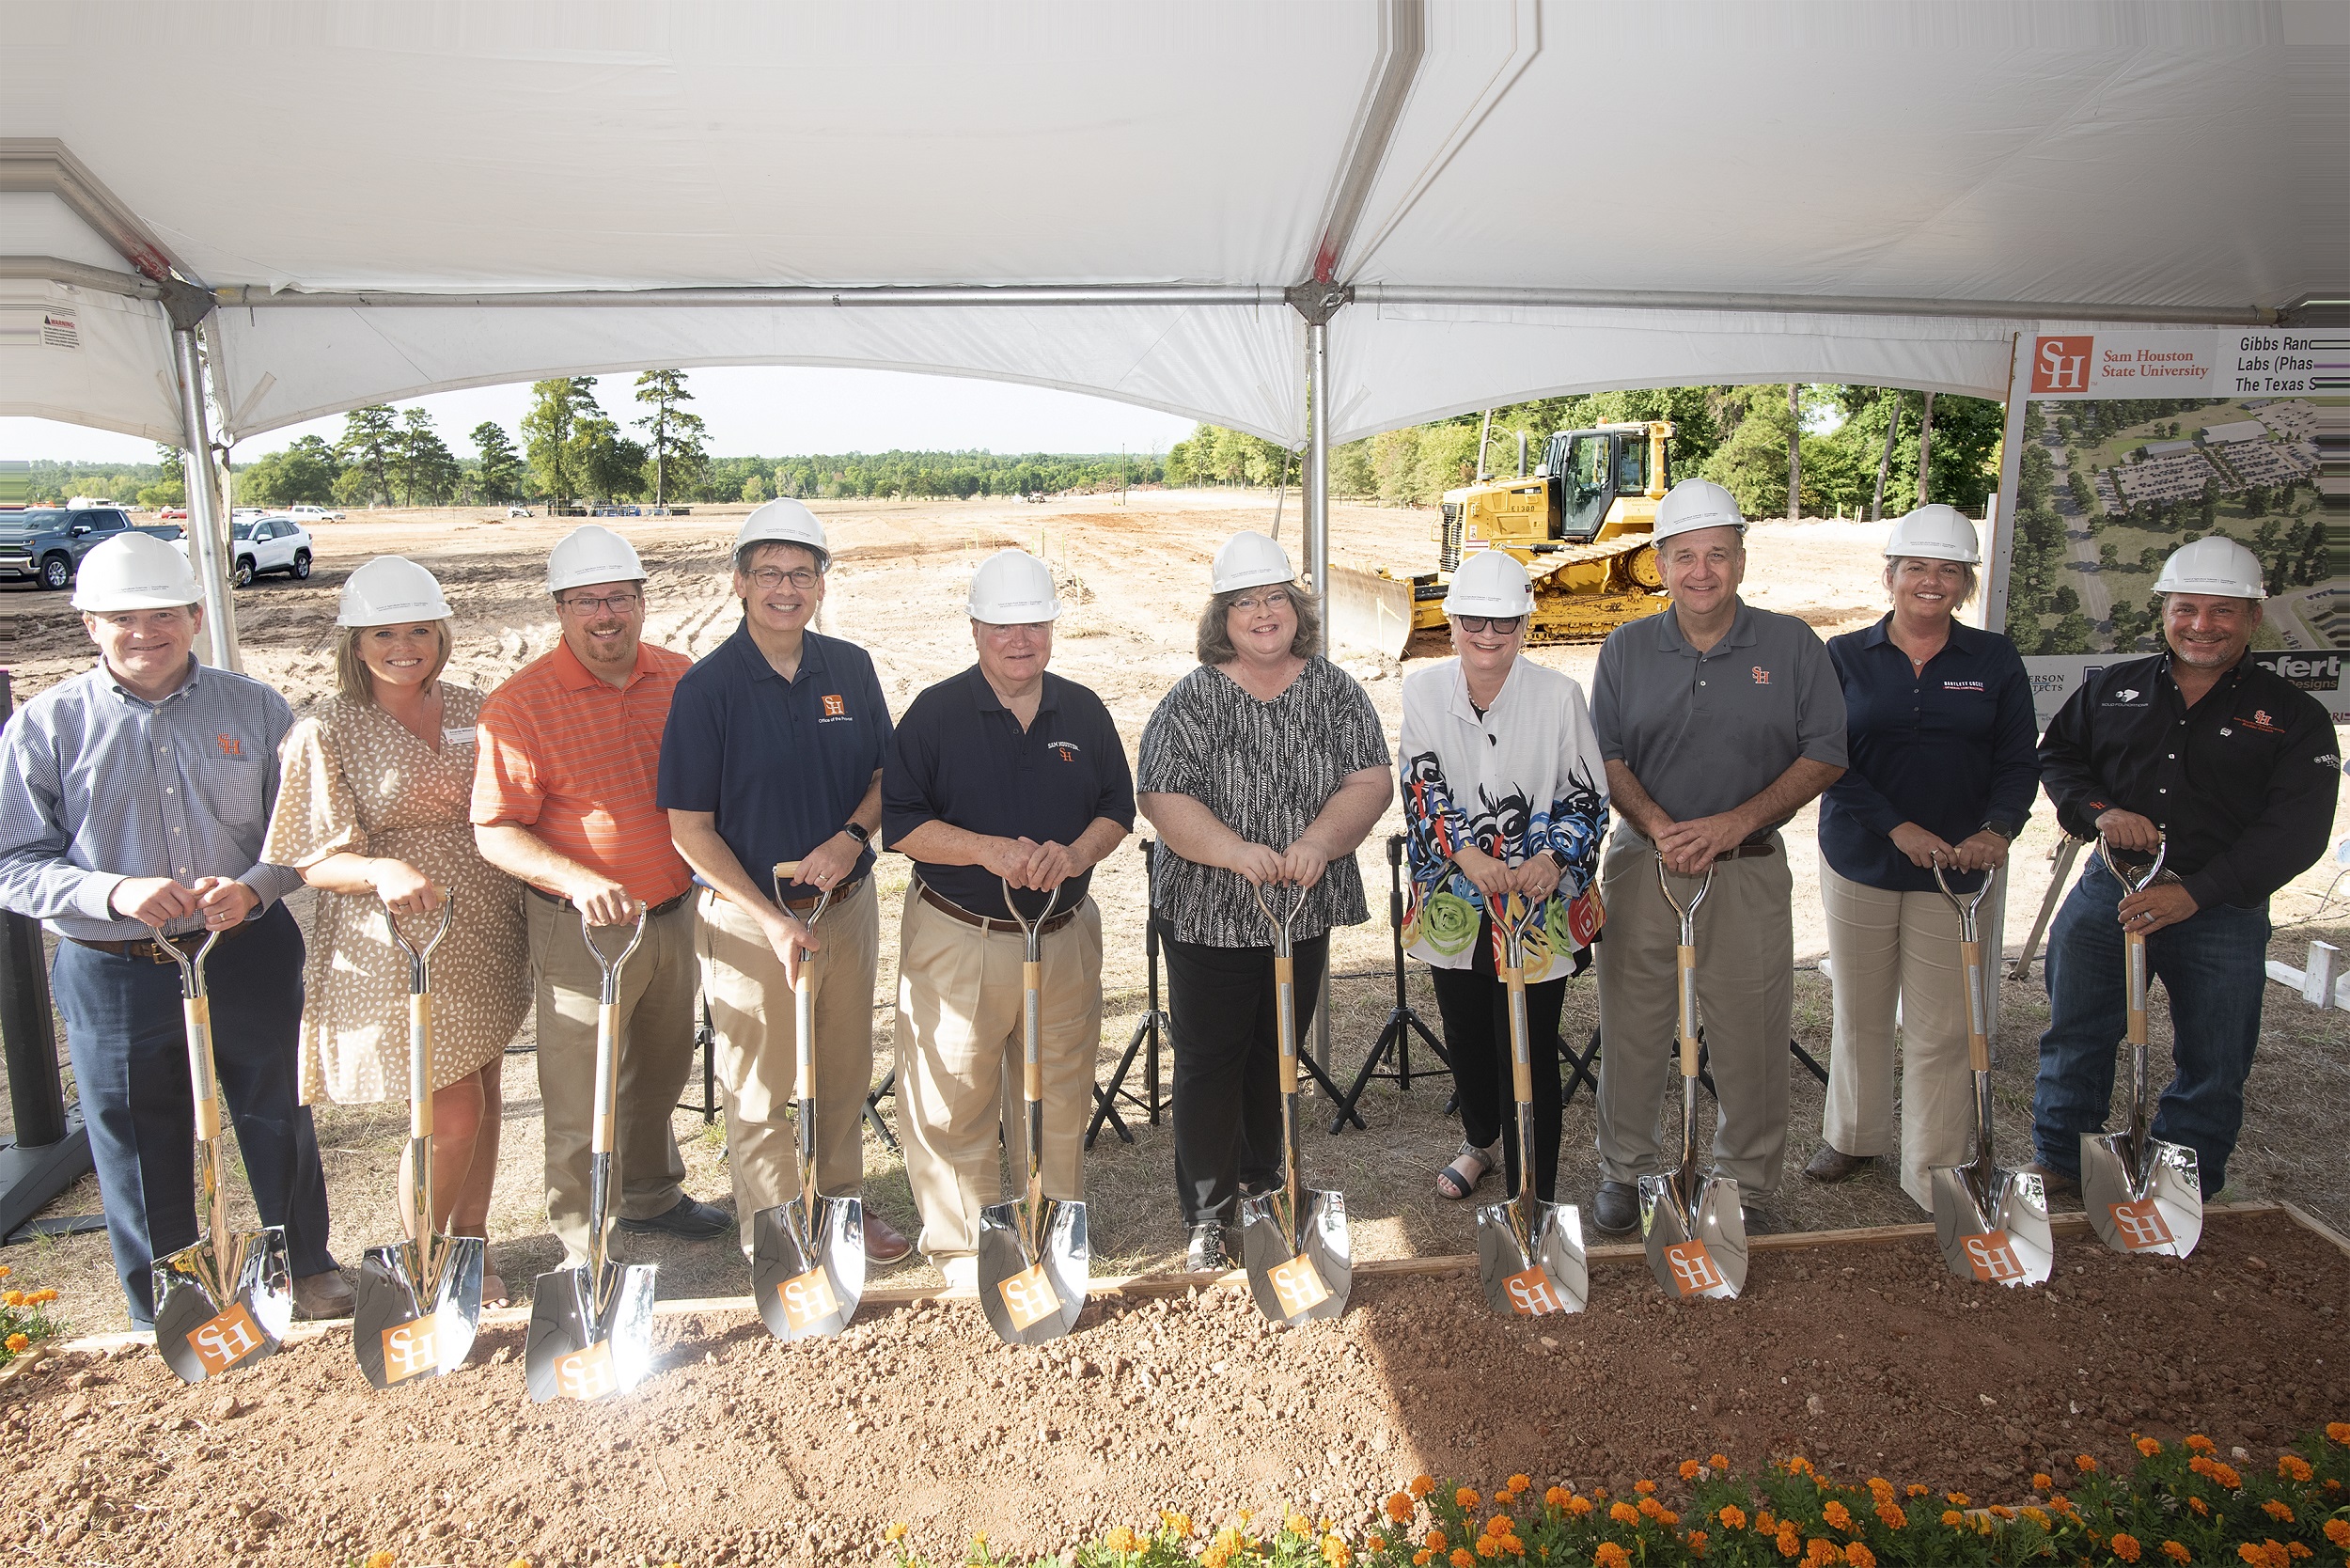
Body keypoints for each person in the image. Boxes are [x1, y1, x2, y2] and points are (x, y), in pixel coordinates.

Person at [0, 535, 346, 1327]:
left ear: (195, 615)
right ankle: (170, 1303)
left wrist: (257, 887)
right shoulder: (45, 727)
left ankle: (304, 1270)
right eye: (122, 617)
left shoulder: (255, 709)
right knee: (133, 1139)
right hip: (112, 965)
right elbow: (12, 860)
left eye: (163, 614)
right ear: (90, 624)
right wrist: (109, 890)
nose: (144, 632)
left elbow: (303, 839)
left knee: (275, 1113)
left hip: (244, 954)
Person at [2030, 536, 2337, 1200]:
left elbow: (2297, 833)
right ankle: (2060, 1164)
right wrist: (2100, 811)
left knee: (2214, 1059)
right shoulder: (2112, 690)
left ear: (2254, 619)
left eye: (2223, 611)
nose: (2202, 626)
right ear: (2163, 612)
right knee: (2076, 1036)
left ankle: (2180, 1184)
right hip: (2109, 893)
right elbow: (2059, 759)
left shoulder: (2294, 718)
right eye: (2187, 608)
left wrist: (2195, 894)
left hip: (2221, 910)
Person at [259, 557, 528, 1302]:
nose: (403, 646)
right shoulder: (327, 728)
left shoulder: (480, 704)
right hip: (398, 936)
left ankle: (471, 1251)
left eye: (418, 630)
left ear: (441, 633)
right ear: (355, 642)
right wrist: (380, 872)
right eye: (383, 633)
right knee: (449, 1110)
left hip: (485, 923)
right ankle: (418, 1262)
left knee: (485, 1089)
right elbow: (311, 858)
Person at [1587, 478, 1847, 1237]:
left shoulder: (1792, 644)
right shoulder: (1629, 647)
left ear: (1741, 558)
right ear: (1660, 562)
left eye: (1718, 555)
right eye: (1684, 557)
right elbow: (1603, 754)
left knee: (1750, 1030)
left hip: (1747, 868)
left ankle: (1746, 1182)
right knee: (1633, 1024)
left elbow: (1827, 752)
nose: (1702, 571)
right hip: (1644, 864)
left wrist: (1732, 824)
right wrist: (1663, 826)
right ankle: (1626, 1171)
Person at [659, 501, 912, 1266]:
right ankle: (775, 1231)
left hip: (844, 909)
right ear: (739, 582)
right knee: (762, 1087)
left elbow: (884, 776)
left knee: (840, 1075)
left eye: (802, 573)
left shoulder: (851, 668)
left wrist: (851, 836)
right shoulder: (707, 690)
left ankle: (838, 1209)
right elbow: (689, 827)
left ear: (822, 585)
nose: (785, 589)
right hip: (749, 921)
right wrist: (766, 916)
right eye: (768, 573)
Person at [471, 525, 729, 1266]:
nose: (605, 614)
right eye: (587, 600)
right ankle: (586, 1241)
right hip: (582, 929)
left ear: (644, 601)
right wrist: (582, 881)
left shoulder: (683, 678)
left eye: (619, 596)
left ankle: (651, 1193)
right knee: (584, 1087)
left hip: (674, 914)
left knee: (662, 1063)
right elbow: (496, 831)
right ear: (560, 609)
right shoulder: (520, 707)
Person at [1136, 530, 1390, 1271]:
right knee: (1212, 1059)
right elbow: (1161, 796)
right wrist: (1237, 852)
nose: (1262, 613)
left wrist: (1317, 841)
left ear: (1295, 607)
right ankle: (1209, 1213)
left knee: (1275, 1053)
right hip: (1212, 914)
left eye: (1274, 597)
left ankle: (1269, 1183)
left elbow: (1369, 779)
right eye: (1244, 602)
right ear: (1222, 617)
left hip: (1299, 910)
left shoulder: (1335, 689)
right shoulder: (1192, 699)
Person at [883, 550, 1134, 1290]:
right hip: (961, 937)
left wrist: (1076, 853)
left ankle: (1051, 1231)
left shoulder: (1082, 710)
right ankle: (965, 1252)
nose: (1019, 640)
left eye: (1033, 624)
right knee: (952, 1094)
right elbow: (900, 823)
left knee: (1057, 1089)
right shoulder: (935, 714)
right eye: (1002, 626)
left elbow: (1115, 810)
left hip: (1062, 934)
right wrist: (987, 851)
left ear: (1053, 627)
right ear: (975, 630)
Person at [1806, 507, 2038, 1210]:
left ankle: (1934, 1167)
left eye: (1947, 570)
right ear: (1890, 577)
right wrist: (1895, 826)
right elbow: (1824, 756)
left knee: (1943, 1023)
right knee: (1861, 1007)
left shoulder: (1994, 659)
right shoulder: (1842, 656)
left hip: (1959, 871)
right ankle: (1852, 1133)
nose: (1930, 582)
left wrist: (1998, 829)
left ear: (1965, 584)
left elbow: (2017, 759)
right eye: (1916, 568)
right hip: (1859, 860)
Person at [1398, 552, 1608, 1207]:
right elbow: (1422, 783)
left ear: (1525, 624)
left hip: (1538, 902)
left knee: (1529, 1039)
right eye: (1474, 623)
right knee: (1465, 1030)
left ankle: (1534, 1186)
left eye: (1504, 624)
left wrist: (1552, 859)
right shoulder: (1425, 691)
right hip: (1455, 900)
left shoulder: (1559, 697)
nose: (1488, 638)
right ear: (1452, 621)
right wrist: (1466, 855)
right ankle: (1481, 1141)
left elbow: (1587, 796)